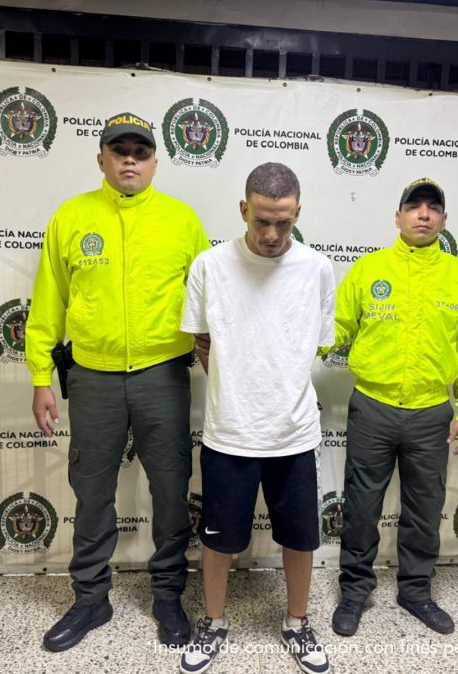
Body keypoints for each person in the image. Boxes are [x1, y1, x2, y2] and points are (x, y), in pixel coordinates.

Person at [25, 111, 210, 652]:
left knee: (172, 492)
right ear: (101, 158)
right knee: (91, 493)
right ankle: (89, 600)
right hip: (93, 379)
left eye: (141, 151)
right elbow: (49, 301)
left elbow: (208, 301)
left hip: (162, 377)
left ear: (156, 161)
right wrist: (41, 375)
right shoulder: (72, 216)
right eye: (119, 149)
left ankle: (169, 596)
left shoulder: (182, 221)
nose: (130, 159)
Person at [179, 163, 336, 674]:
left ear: (298, 213)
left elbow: (313, 343)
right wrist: (236, 387)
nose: (271, 234)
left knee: (300, 536)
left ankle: (296, 622)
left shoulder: (318, 269)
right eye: (262, 221)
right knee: (218, 540)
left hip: (293, 432)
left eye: (284, 223)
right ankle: (214, 621)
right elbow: (201, 339)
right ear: (244, 210)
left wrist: (275, 382)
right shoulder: (209, 265)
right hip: (229, 432)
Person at [329, 178, 458, 637]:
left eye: (432, 208)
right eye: (413, 206)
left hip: (431, 412)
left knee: (424, 508)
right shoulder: (368, 270)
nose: (423, 214)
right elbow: (336, 328)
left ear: (444, 219)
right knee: (361, 506)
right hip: (374, 407)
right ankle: (355, 592)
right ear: (397, 216)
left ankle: (416, 591)